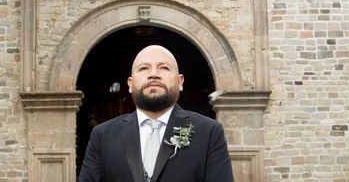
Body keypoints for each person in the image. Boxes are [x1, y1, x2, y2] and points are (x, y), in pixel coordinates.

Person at [78, 44, 234, 182]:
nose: (153, 74)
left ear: (180, 82)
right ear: (130, 84)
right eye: (144, 68)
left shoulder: (209, 132)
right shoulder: (103, 135)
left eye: (164, 68)